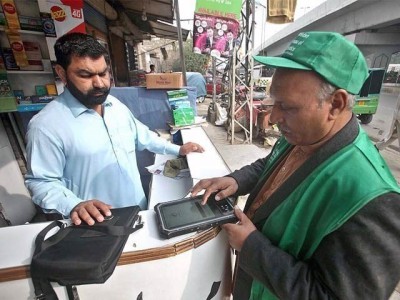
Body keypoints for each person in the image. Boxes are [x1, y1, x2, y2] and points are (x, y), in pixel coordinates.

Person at [191, 31, 400, 299]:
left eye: (287, 107)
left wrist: (252, 247)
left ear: (335, 104)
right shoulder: (304, 135)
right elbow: (271, 163)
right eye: (273, 102)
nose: (274, 117)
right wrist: (236, 181)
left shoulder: (374, 199)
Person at [25, 32, 204, 226]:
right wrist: (74, 205)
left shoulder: (114, 105)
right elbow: (41, 182)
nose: (100, 83)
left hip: (139, 210)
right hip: (97, 226)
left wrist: (178, 149)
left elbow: (143, 136)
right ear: (61, 73)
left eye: (103, 73)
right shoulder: (46, 126)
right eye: (85, 75)